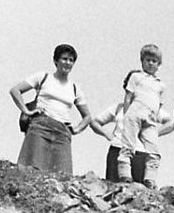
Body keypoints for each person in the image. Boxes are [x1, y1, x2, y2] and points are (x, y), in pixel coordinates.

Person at [10, 45, 105, 177]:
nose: (68, 63)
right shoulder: (43, 77)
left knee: (63, 175)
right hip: (41, 126)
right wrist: (27, 111)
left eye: (71, 60)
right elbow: (15, 90)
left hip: (62, 132)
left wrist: (76, 129)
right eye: (64, 59)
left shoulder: (74, 88)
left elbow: (87, 116)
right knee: (31, 170)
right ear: (56, 61)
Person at [104, 44, 174, 185]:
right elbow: (128, 97)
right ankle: (124, 174)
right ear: (142, 61)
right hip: (135, 113)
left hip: (150, 117)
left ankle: (150, 178)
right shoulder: (136, 77)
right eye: (147, 60)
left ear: (159, 64)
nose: (150, 63)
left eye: (154, 61)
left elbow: (159, 104)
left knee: (153, 150)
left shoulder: (160, 84)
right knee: (128, 146)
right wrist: (126, 115)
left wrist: (155, 118)